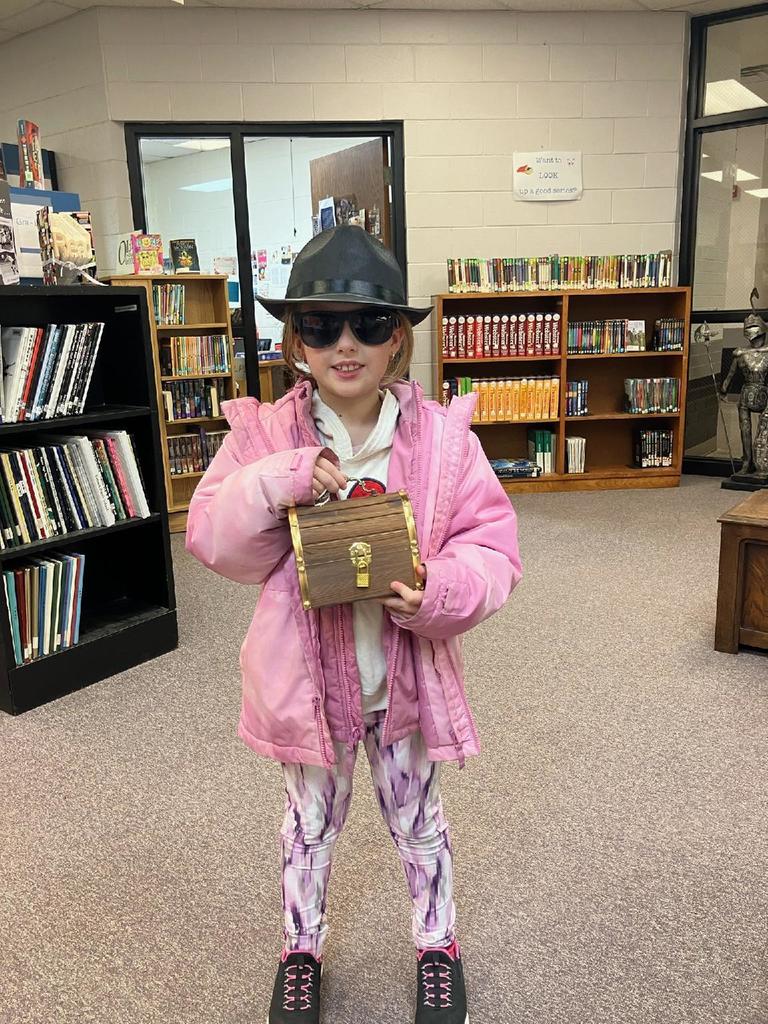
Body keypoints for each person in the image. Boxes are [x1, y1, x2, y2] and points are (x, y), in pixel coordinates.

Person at [186, 225, 522, 1024]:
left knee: (419, 820)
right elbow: (213, 539)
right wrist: (279, 481)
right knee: (309, 826)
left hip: (403, 682)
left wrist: (439, 589)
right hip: (306, 691)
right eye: (321, 326)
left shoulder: (443, 441)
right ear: (295, 339)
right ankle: (300, 947)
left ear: (397, 338)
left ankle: (437, 945)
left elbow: (493, 549)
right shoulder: (263, 437)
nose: (346, 344)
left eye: (368, 325)